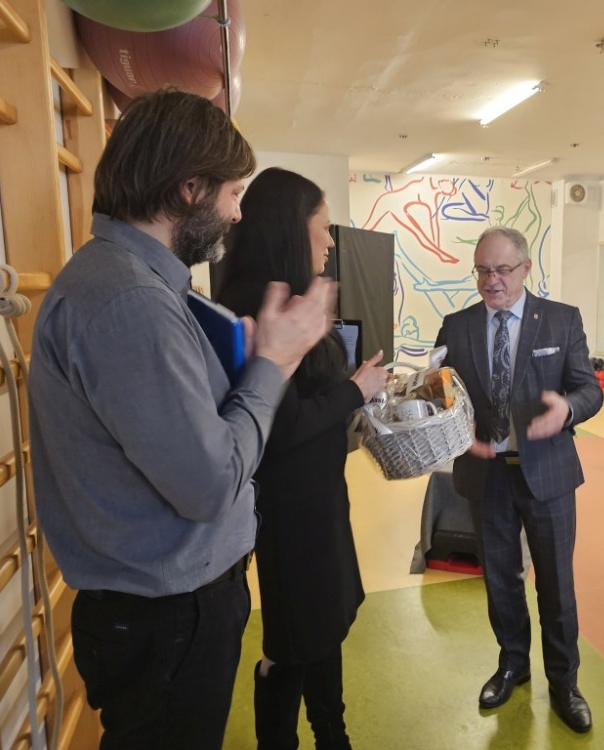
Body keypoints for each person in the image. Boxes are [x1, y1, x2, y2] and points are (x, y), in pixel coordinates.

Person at [29, 89, 334, 750]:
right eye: (233, 193)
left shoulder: (134, 282)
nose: (238, 212)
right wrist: (274, 364)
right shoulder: (129, 301)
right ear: (189, 189)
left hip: (167, 612)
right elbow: (208, 483)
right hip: (166, 618)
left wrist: (241, 364)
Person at [216, 168, 387, 750]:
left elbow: (309, 401)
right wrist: (356, 390)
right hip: (288, 511)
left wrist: (355, 391)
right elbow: (282, 426)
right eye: (323, 227)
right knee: (294, 641)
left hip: (318, 499)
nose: (331, 242)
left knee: (324, 627)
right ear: (293, 229)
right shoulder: (255, 307)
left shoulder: (295, 298)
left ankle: (332, 734)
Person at [435, 226, 603, 734]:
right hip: (487, 475)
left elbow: (589, 390)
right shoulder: (456, 326)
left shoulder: (561, 320)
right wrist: (458, 433)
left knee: (555, 584)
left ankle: (565, 682)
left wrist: (567, 409)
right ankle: (513, 664)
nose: (492, 281)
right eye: (482, 271)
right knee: (500, 580)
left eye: (502, 270)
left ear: (526, 268)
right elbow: (441, 395)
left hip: (548, 473)